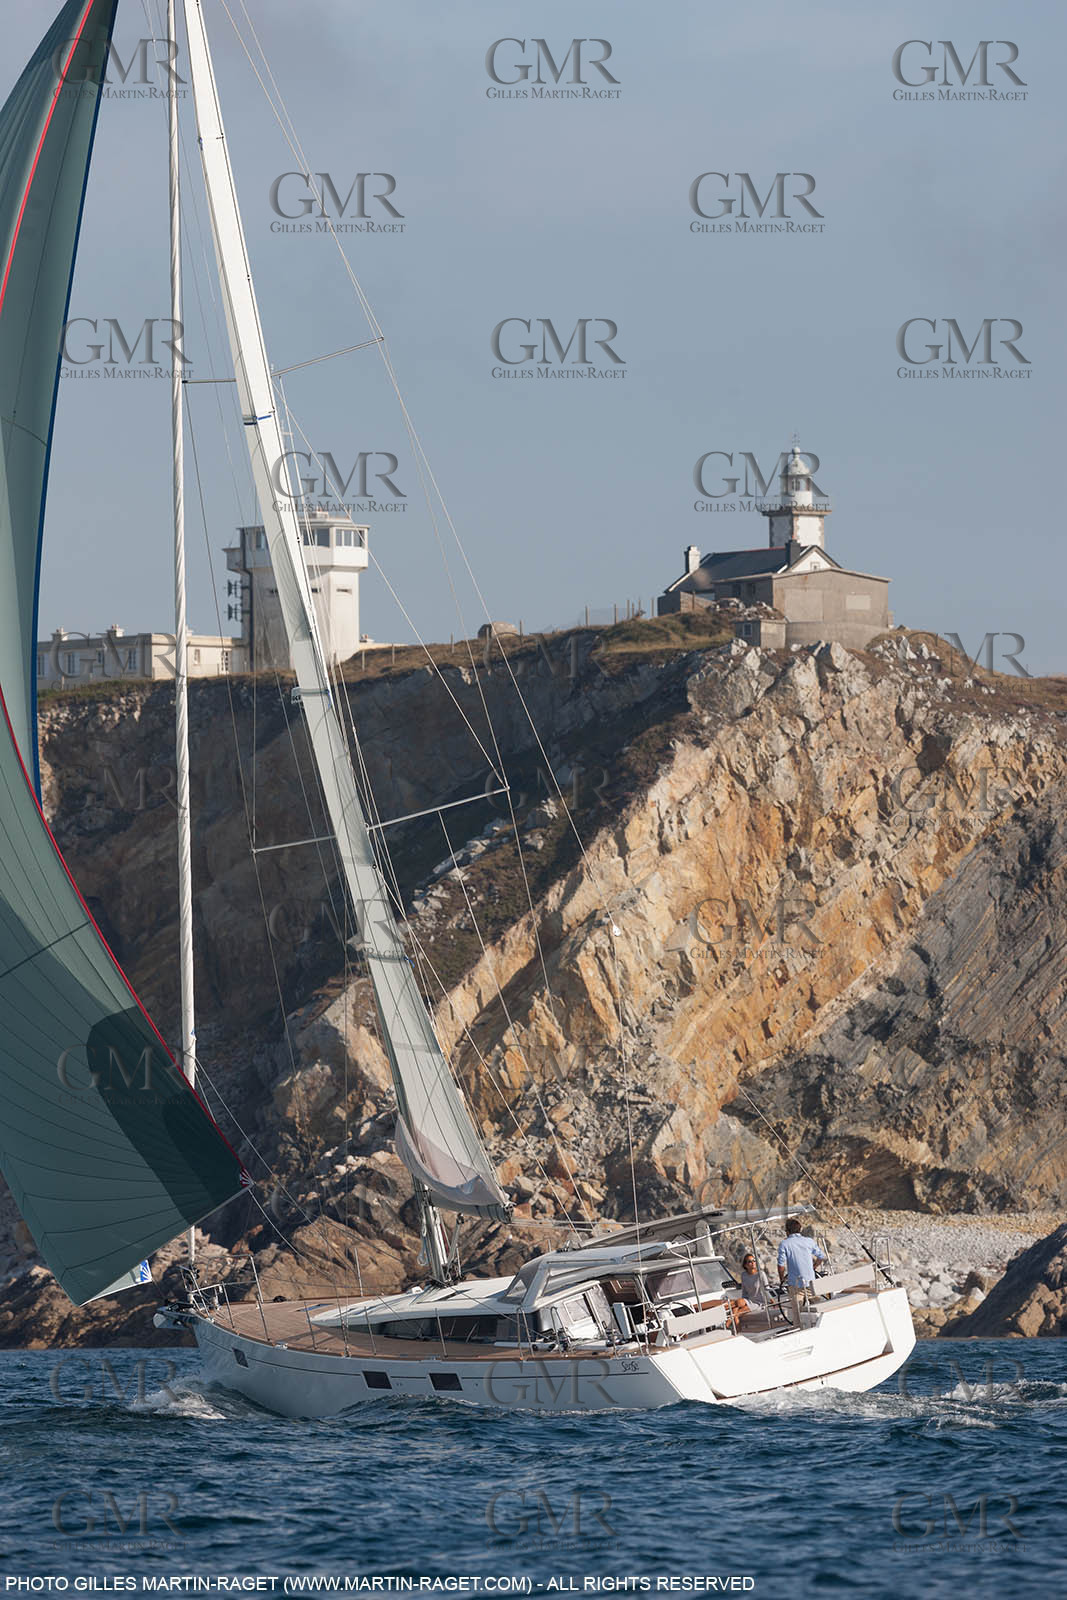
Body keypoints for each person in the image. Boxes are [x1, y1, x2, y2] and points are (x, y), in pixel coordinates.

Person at [777, 1217, 826, 1289]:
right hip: (810, 1282)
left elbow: (781, 1265)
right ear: (799, 1229)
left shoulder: (784, 1244)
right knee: (814, 1299)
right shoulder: (809, 1241)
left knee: (797, 1299)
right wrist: (814, 1267)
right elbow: (821, 1256)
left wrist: (782, 1279)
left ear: (787, 1231)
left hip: (795, 1284)